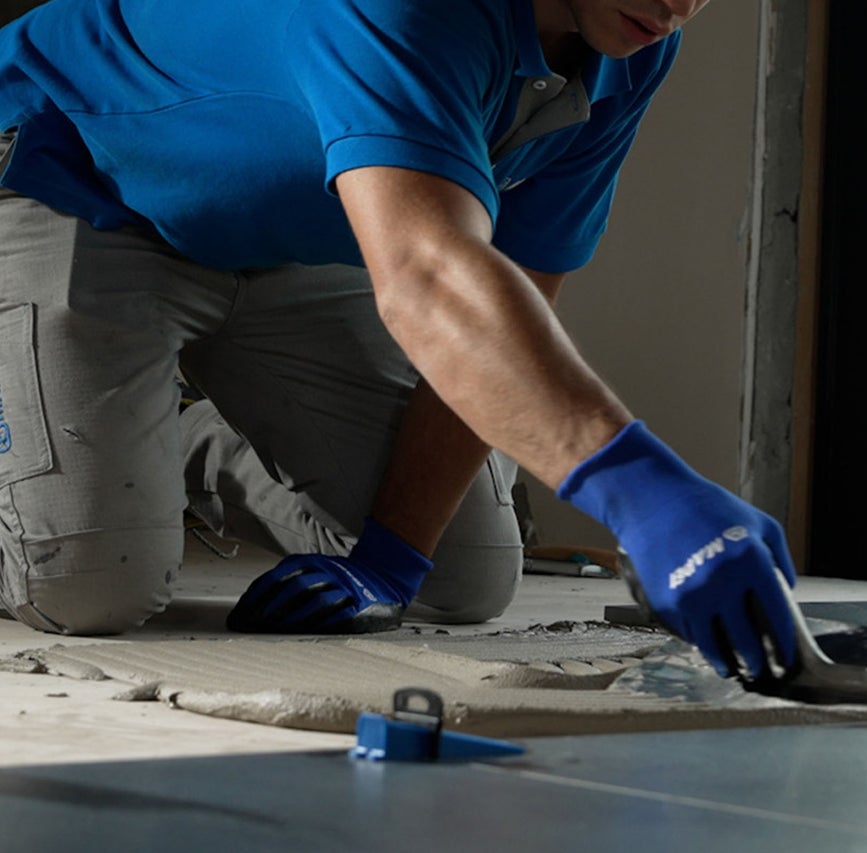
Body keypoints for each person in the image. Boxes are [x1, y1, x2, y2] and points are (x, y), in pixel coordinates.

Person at [0, 0, 797, 680]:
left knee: (457, 572)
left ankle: (155, 431)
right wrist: (645, 492)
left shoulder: (628, 43)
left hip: (291, 229)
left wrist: (390, 558)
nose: (679, 2)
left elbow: (511, 292)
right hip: (71, 175)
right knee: (87, 583)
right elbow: (428, 280)